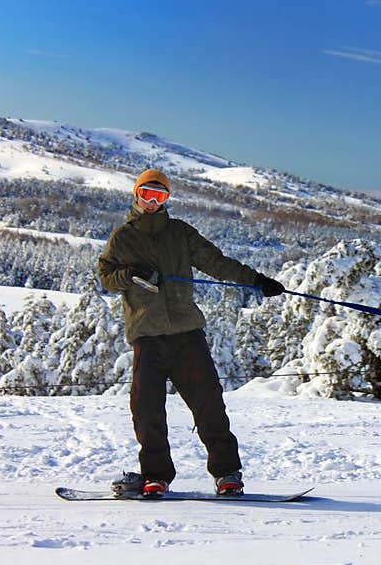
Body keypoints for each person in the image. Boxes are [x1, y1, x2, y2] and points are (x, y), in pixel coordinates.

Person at [98, 168, 284, 498]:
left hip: (186, 333)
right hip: (147, 335)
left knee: (209, 403)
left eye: (160, 196)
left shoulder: (180, 233)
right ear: (136, 195)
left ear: (167, 199)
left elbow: (216, 262)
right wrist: (131, 274)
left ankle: (227, 474)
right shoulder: (123, 238)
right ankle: (156, 476)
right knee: (146, 409)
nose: (153, 202)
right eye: (147, 195)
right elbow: (107, 277)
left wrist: (256, 280)